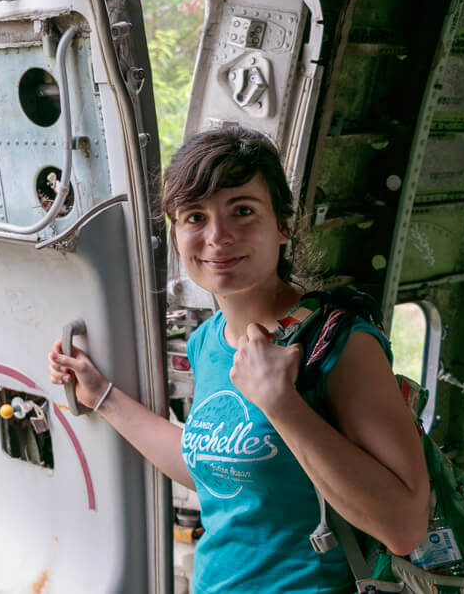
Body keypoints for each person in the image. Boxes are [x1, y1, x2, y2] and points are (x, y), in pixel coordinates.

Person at [48, 126, 429, 593]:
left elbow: (405, 526)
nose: (217, 236)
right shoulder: (207, 341)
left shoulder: (340, 343)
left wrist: (281, 404)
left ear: (283, 226)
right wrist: (102, 397)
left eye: (242, 211)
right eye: (193, 217)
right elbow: (218, 471)